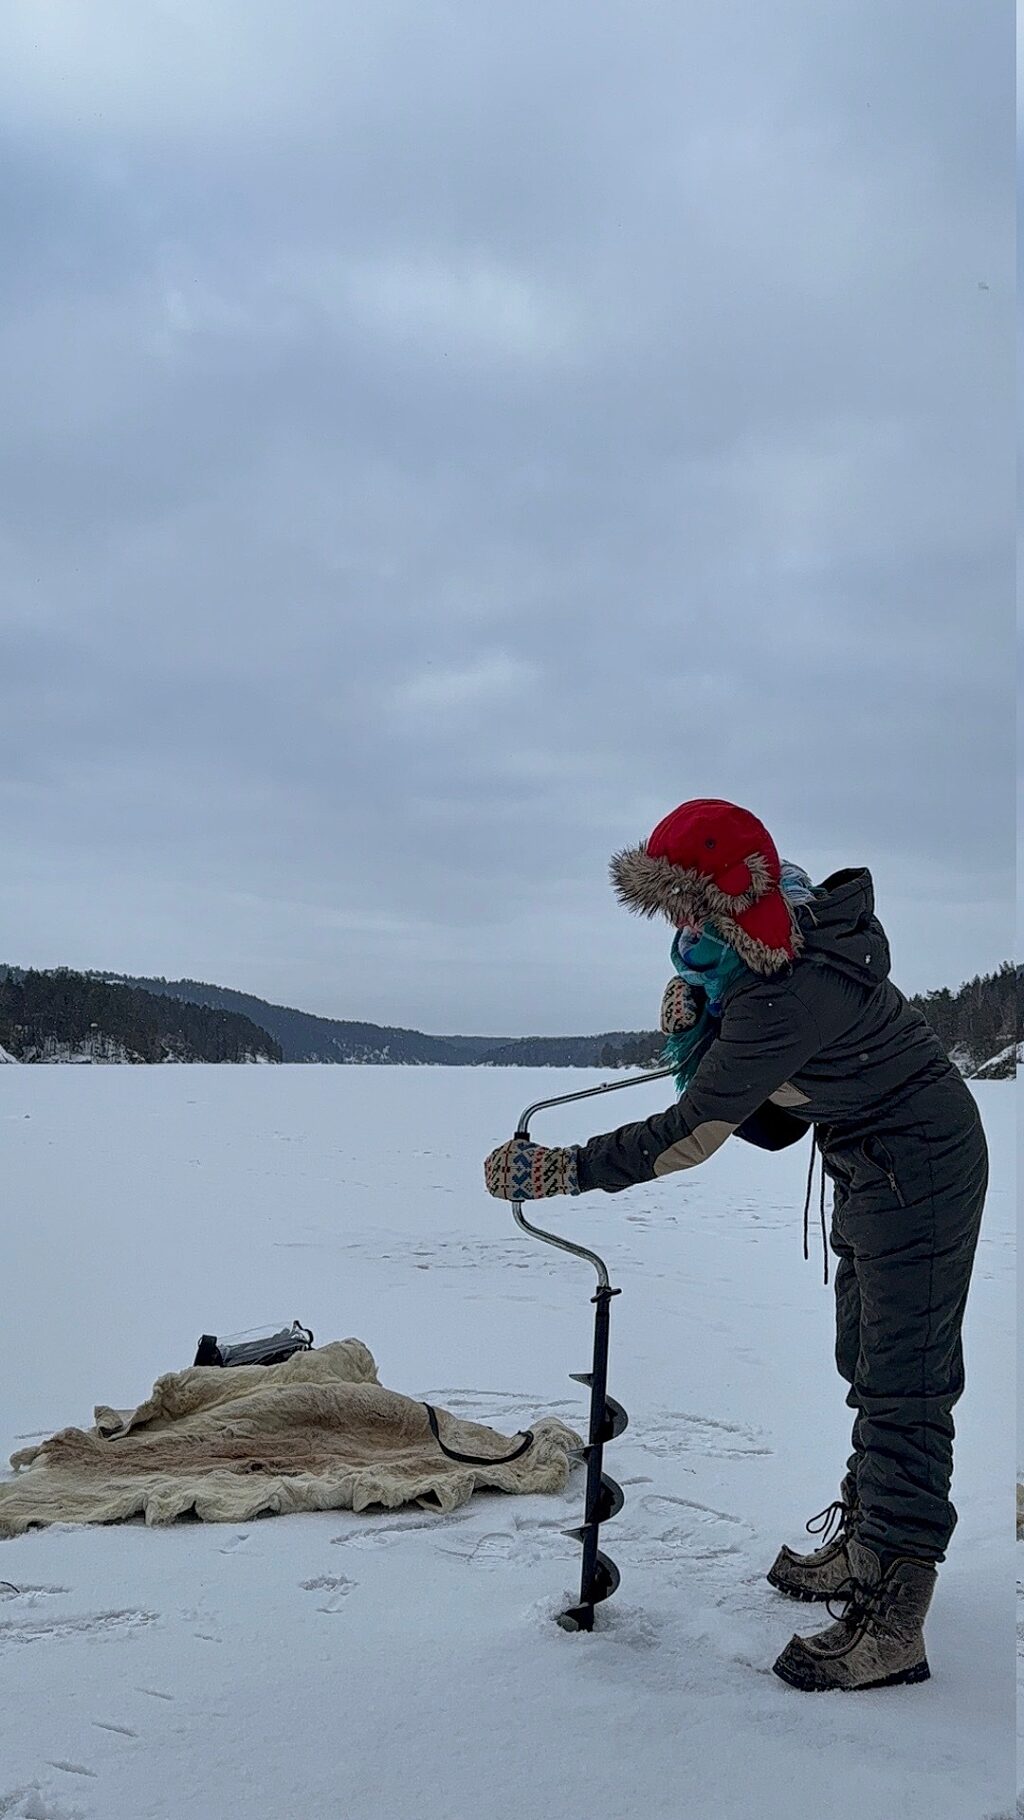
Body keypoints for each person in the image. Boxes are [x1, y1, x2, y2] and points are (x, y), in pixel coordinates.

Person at [483, 798, 987, 1692]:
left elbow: (695, 1132)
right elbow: (778, 1126)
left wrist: (561, 1169)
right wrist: (699, 1032)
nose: (677, 924)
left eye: (689, 903)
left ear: (735, 893)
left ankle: (895, 1616)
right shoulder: (759, 960)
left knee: (903, 1377)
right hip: (874, 1160)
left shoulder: (787, 986)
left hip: (920, 1164)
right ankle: (870, 1542)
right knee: (863, 1357)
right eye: (664, 906)